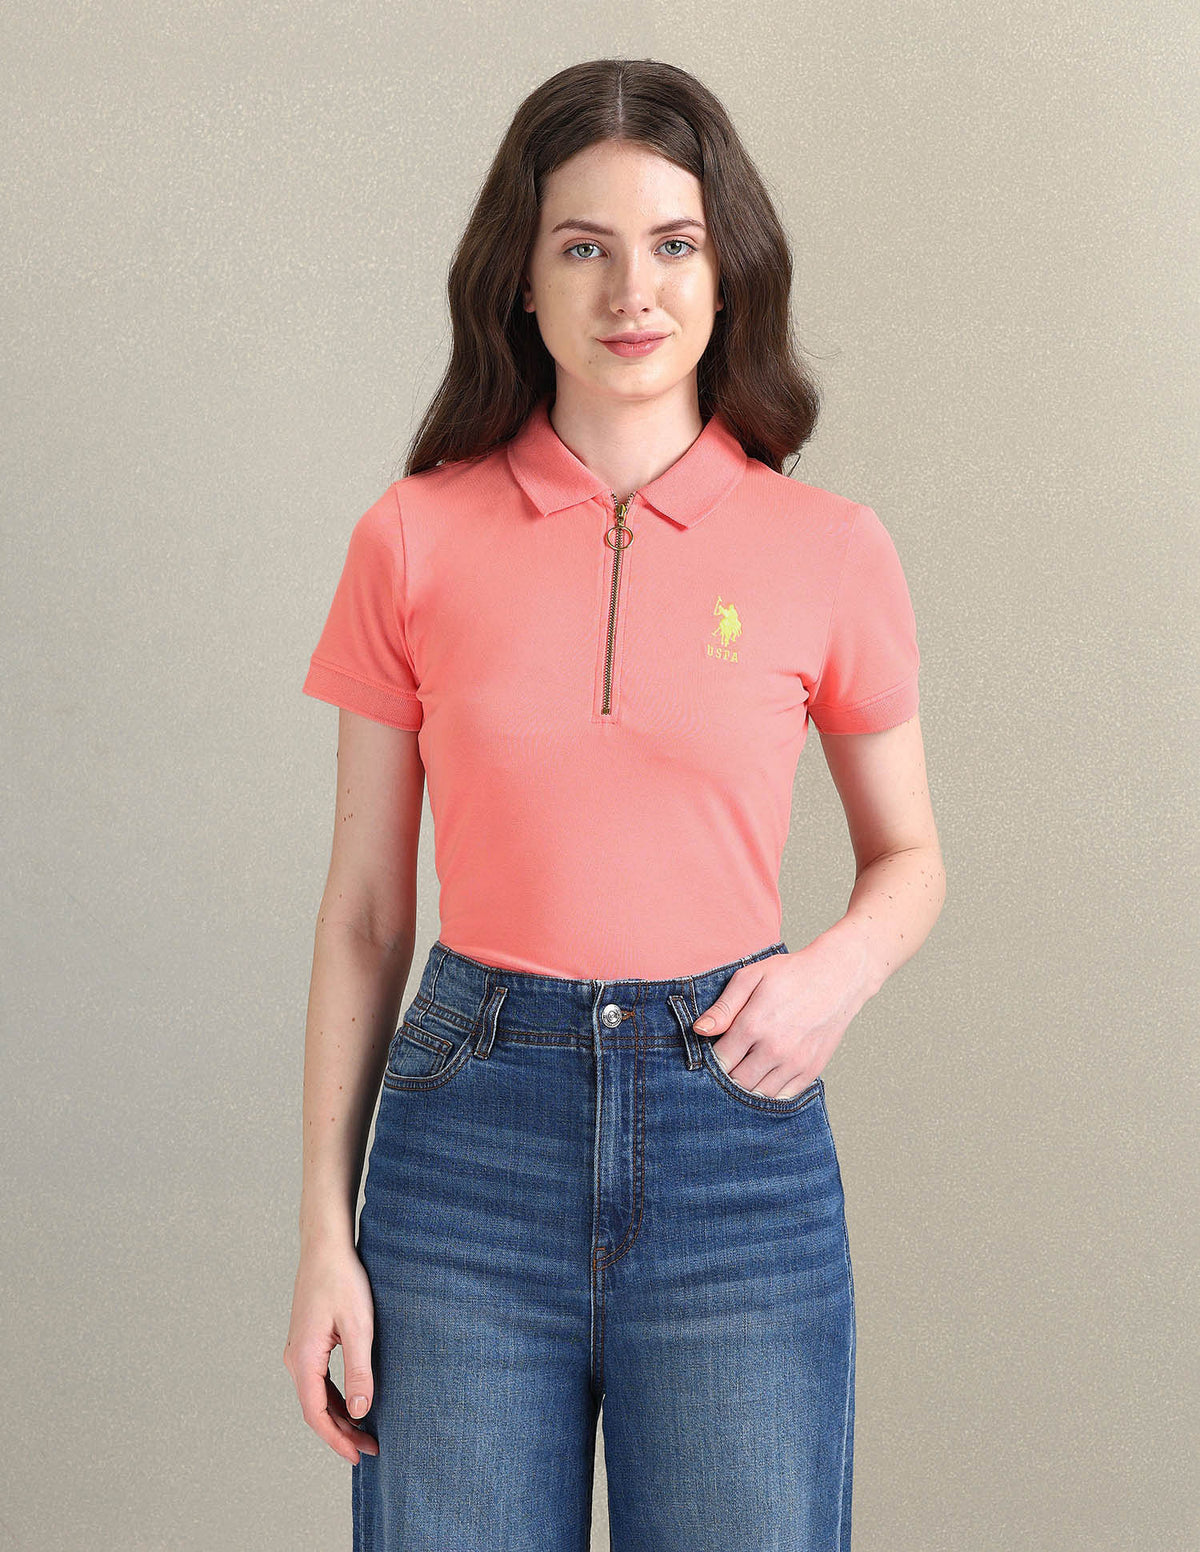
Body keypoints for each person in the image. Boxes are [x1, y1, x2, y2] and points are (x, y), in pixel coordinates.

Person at [283, 57, 945, 1552]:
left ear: (728, 272)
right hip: (465, 1151)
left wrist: (834, 973)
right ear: (520, 281)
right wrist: (324, 1226)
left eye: (674, 244)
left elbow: (910, 857)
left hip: (735, 1154)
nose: (631, 291)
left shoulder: (829, 548)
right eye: (583, 246)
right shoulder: (411, 538)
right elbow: (368, 912)